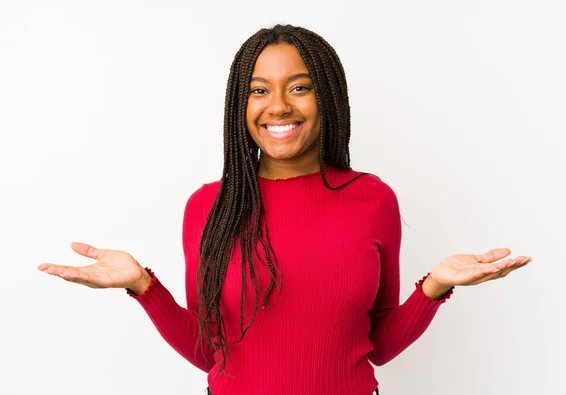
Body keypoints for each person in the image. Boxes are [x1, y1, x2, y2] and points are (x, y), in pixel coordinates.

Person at [37, 24, 532, 395]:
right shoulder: (209, 206)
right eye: (259, 89)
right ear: (240, 105)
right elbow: (210, 352)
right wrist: (141, 285)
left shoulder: (372, 198)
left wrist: (435, 288)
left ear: (327, 97)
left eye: (299, 86)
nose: (278, 106)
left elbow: (376, 345)